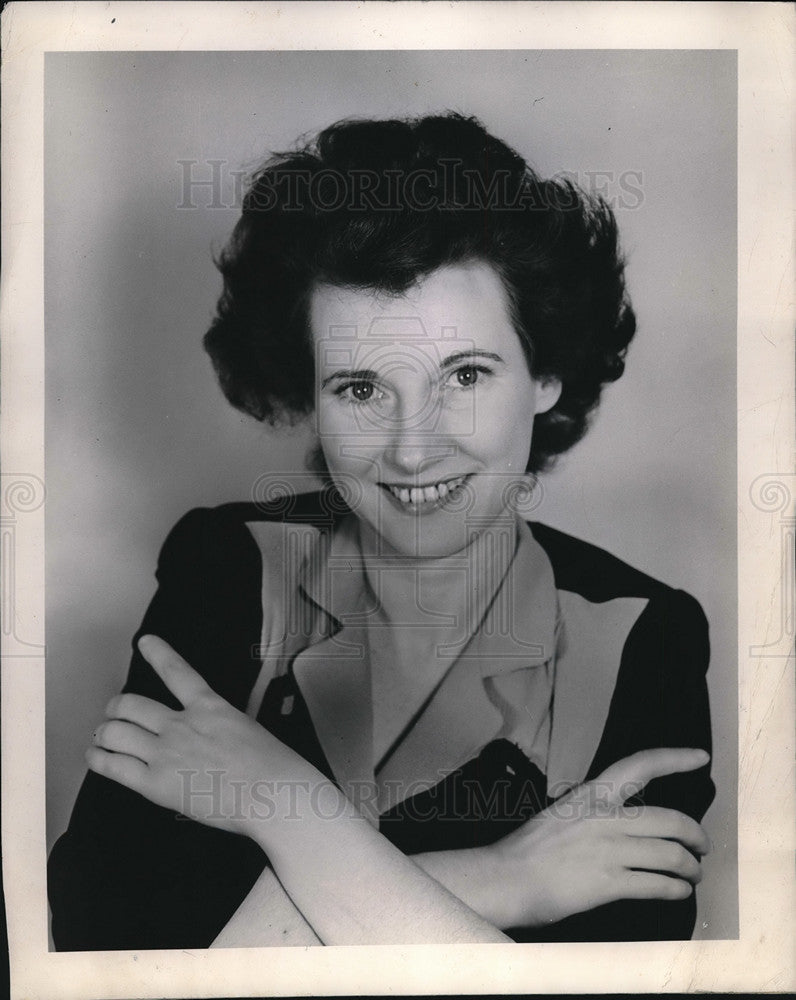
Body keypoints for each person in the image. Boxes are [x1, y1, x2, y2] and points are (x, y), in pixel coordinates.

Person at [48, 113, 714, 949]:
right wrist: (504, 879)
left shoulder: (643, 635)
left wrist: (273, 799)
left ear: (546, 375)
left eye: (465, 375)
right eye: (361, 389)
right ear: (310, 395)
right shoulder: (227, 567)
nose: (410, 447)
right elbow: (102, 954)